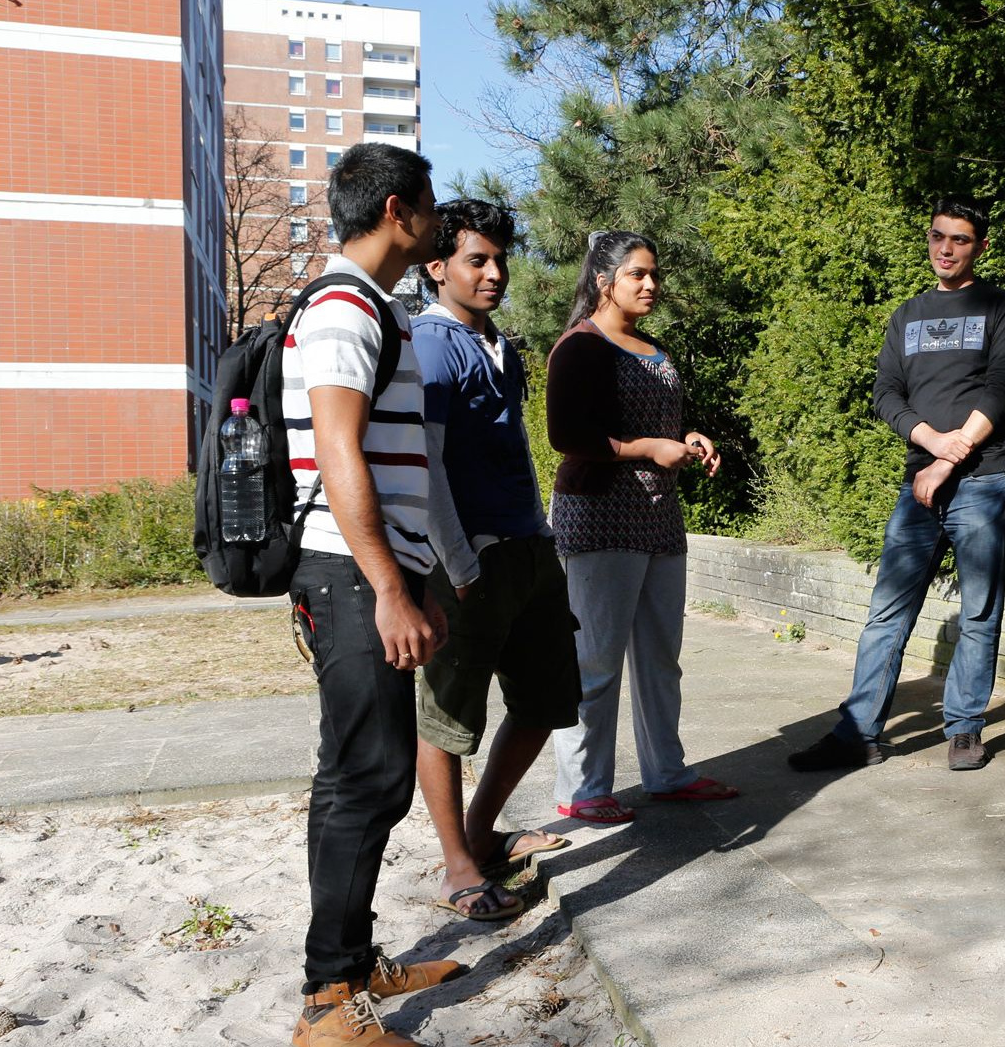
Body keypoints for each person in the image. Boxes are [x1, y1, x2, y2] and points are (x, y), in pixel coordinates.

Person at [284, 142, 464, 1047]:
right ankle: (328, 1002)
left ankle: (350, 965)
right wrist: (389, 588)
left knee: (370, 771)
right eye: (430, 208)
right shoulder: (344, 306)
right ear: (399, 210)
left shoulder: (371, 305)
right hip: (350, 573)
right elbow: (336, 451)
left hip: (368, 570)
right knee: (366, 776)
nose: (438, 224)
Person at [787, 197, 1005, 773]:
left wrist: (951, 455)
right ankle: (858, 733)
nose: (946, 249)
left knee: (979, 612)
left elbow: (1001, 386)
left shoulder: (1002, 308)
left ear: (980, 247)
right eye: (938, 237)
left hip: (984, 481)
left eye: (960, 240)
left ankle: (965, 731)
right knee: (886, 612)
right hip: (917, 482)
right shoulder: (908, 314)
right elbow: (886, 394)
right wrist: (928, 439)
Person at [408, 198, 575, 922]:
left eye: (501, 258)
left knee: (546, 700)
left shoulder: (495, 341)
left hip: (528, 549)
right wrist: (458, 562)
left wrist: (538, 535)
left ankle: (479, 834)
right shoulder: (432, 343)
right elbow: (426, 463)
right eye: (478, 259)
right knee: (447, 718)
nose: (495, 272)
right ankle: (455, 867)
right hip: (468, 562)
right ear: (436, 267)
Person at [547, 230, 732, 824]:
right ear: (604, 281)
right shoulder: (580, 346)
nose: (651, 284)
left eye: (653, 273)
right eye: (637, 275)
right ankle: (583, 788)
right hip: (599, 517)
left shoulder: (653, 347)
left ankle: (667, 774)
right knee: (595, 662)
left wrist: (687, 441)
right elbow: (568, 438)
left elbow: (658, 424)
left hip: (658, 517)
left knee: (659, 658)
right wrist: (649, 448)